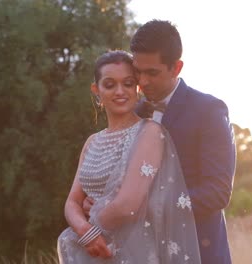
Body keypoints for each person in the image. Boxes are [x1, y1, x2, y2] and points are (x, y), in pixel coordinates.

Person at [57, 50, 202, 263]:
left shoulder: (149, 132)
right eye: (109, 84)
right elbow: (72, 201)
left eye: (127, 83)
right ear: (96, 90)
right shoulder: (92, 142)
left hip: (132, 252)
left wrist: (92, 222)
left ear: (137, 88)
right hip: (93, 248)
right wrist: (84, 232)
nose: (120, 91)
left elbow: (127, 205)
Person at [131, 20, 236, 263]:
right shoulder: (133, 112)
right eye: (138, 71)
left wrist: (150, 208)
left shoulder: (208, 110)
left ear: (176, 67)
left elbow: (218, 192)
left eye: (152, 73)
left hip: (199, 250)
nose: (142, 82)